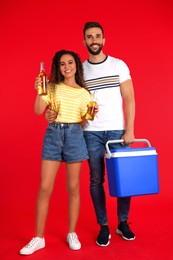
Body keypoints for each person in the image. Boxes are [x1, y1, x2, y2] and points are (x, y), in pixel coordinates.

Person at [45, 21, 136, 247]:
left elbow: (130, 98)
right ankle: (103, 226)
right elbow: (67, 98)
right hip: (89, 132)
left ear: (104, 40)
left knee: (122, 178)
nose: (93, 40)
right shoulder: (80, 69)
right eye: (89, 37)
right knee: (96, 180)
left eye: (97, 36)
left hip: (117, 130)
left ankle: (122, 222)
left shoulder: (118, 65)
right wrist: (53, 114)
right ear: (84, 41)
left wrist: (130, 129)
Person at [19, 50, 91, 255]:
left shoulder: (85, 94)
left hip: (75, 136)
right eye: (62, 64)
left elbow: (84, 120)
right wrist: (41, 92)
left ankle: (71, 232)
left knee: (74, 187)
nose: (66, 66)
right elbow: (38, 110)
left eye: (70, 62)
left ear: (77, 65)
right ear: (57, 68)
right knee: (44, 187)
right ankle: (39, 238)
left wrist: (89, 115)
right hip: (53, 135)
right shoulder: (51, 87)